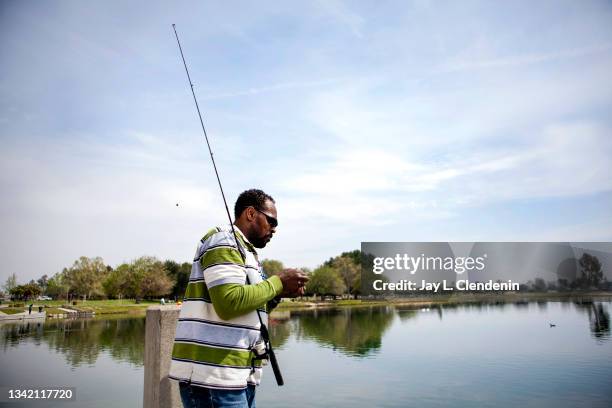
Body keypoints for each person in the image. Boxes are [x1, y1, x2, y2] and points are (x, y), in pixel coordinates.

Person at [169, 189, 308, 408]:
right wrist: (278, 282)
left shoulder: (248, 253)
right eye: (271, 221)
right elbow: (229, 303)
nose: (274, 229)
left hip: (238, 377)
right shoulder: (223, 239)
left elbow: (247, 311)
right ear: (251, 214)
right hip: (214, 379)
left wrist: (277, 294)